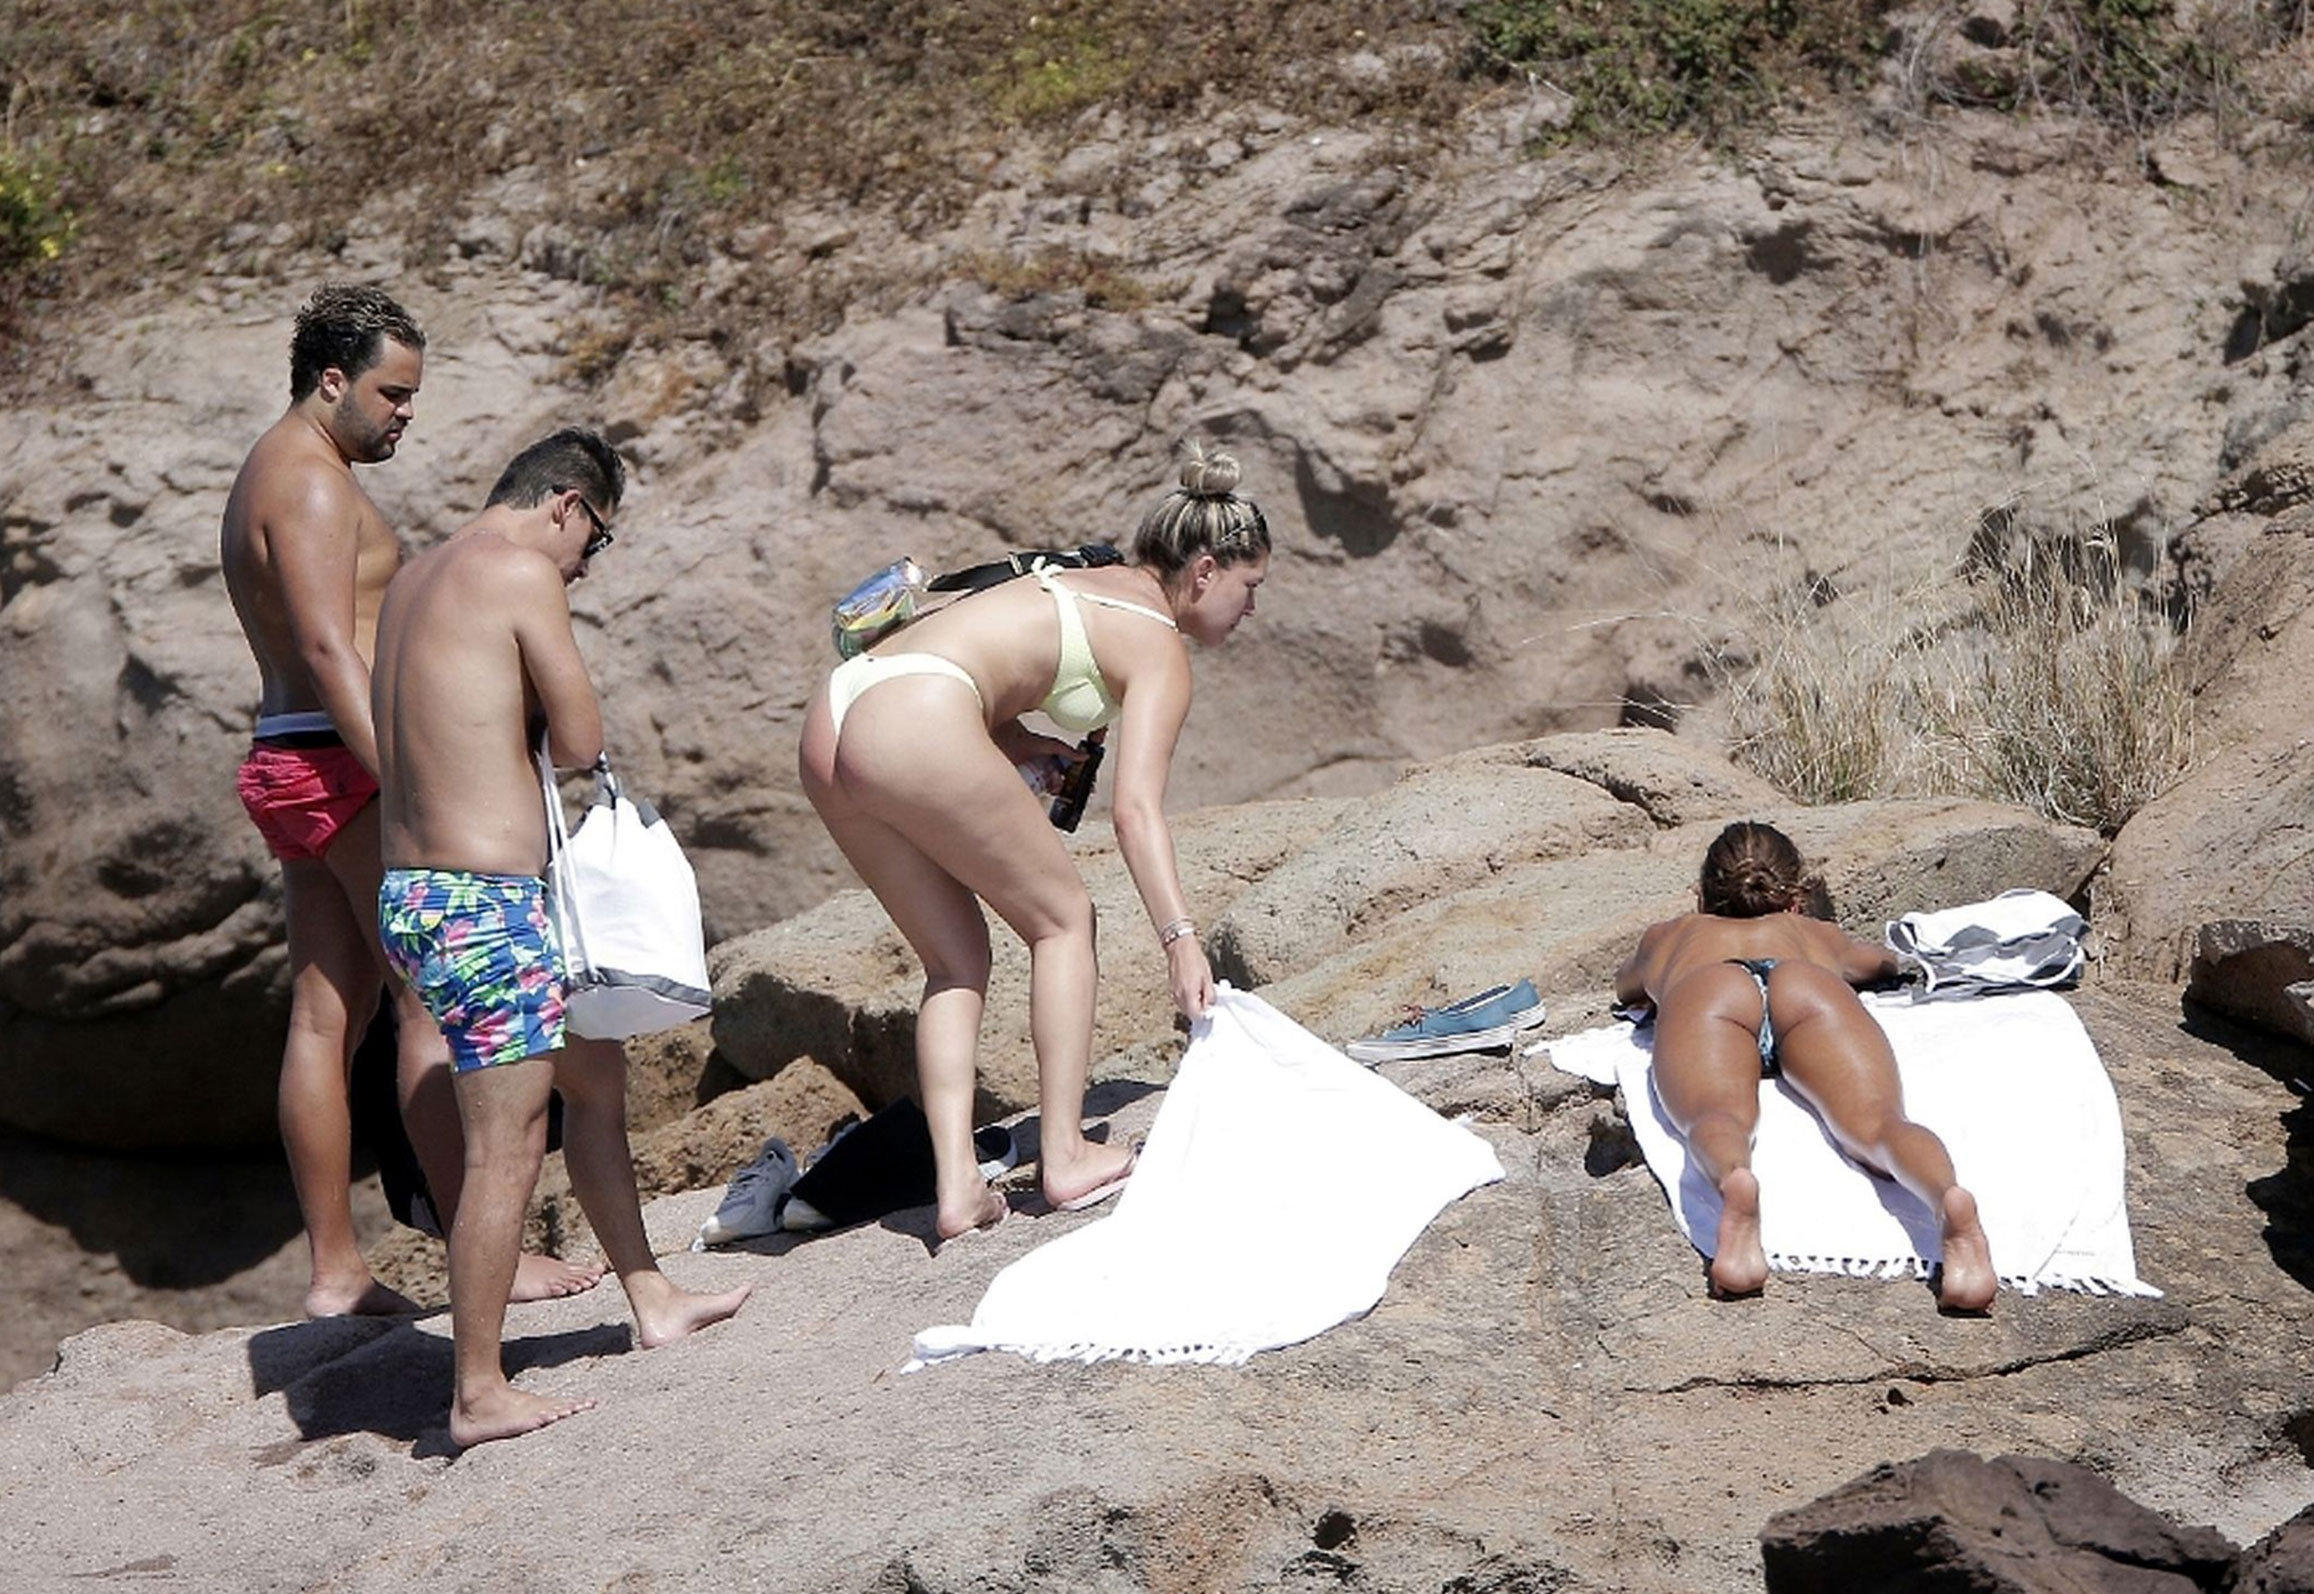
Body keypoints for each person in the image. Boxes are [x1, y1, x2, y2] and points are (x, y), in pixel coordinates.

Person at [221, 283, 599, 1317]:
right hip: (342, 763)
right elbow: (327, 645)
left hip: (289, 756)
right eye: (391, 393)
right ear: (330, 381)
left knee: (326, 1013)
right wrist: (407, 776)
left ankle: (337, 1268)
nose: (405, 413)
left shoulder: (270, 468)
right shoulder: (309, 483)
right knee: (429, 1000)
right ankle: (484, 1246)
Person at [372, 427, 749, 1447]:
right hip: (483, 904)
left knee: (597, 1078)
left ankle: (651, 1296)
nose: (585, 566)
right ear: (566, 506)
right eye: (597, 540)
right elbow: (582, 741)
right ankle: (477, 1389)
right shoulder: (520, 571)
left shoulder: (412, 581)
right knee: (507, 1149)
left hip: (415, 892)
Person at [799, 442, 1270, 1244]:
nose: (1250, 608)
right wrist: (1180, 939)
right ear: (1203, 571)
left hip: (839, 710)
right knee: (1063, 921)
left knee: (955, 961)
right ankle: (1066, 1154)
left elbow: (965, 653)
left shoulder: (1081, 574)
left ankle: (958, 1188)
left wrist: (1016, 742)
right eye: (1249, 586)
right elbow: (1136, 812)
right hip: (915, 715)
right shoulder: (1157, 642)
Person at [1613, 821, 1998, 1312]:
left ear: (1701, 896)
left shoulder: (1671, 935)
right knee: (1880, 1123)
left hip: (1710, 989)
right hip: (1806, 987)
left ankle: (1735, 1180)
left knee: (1715, 1114)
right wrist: (1822, 938)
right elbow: (1882, 964)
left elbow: (1626, 986)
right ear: (1794, 897)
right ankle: (1947, 1199)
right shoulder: (1815, 933)